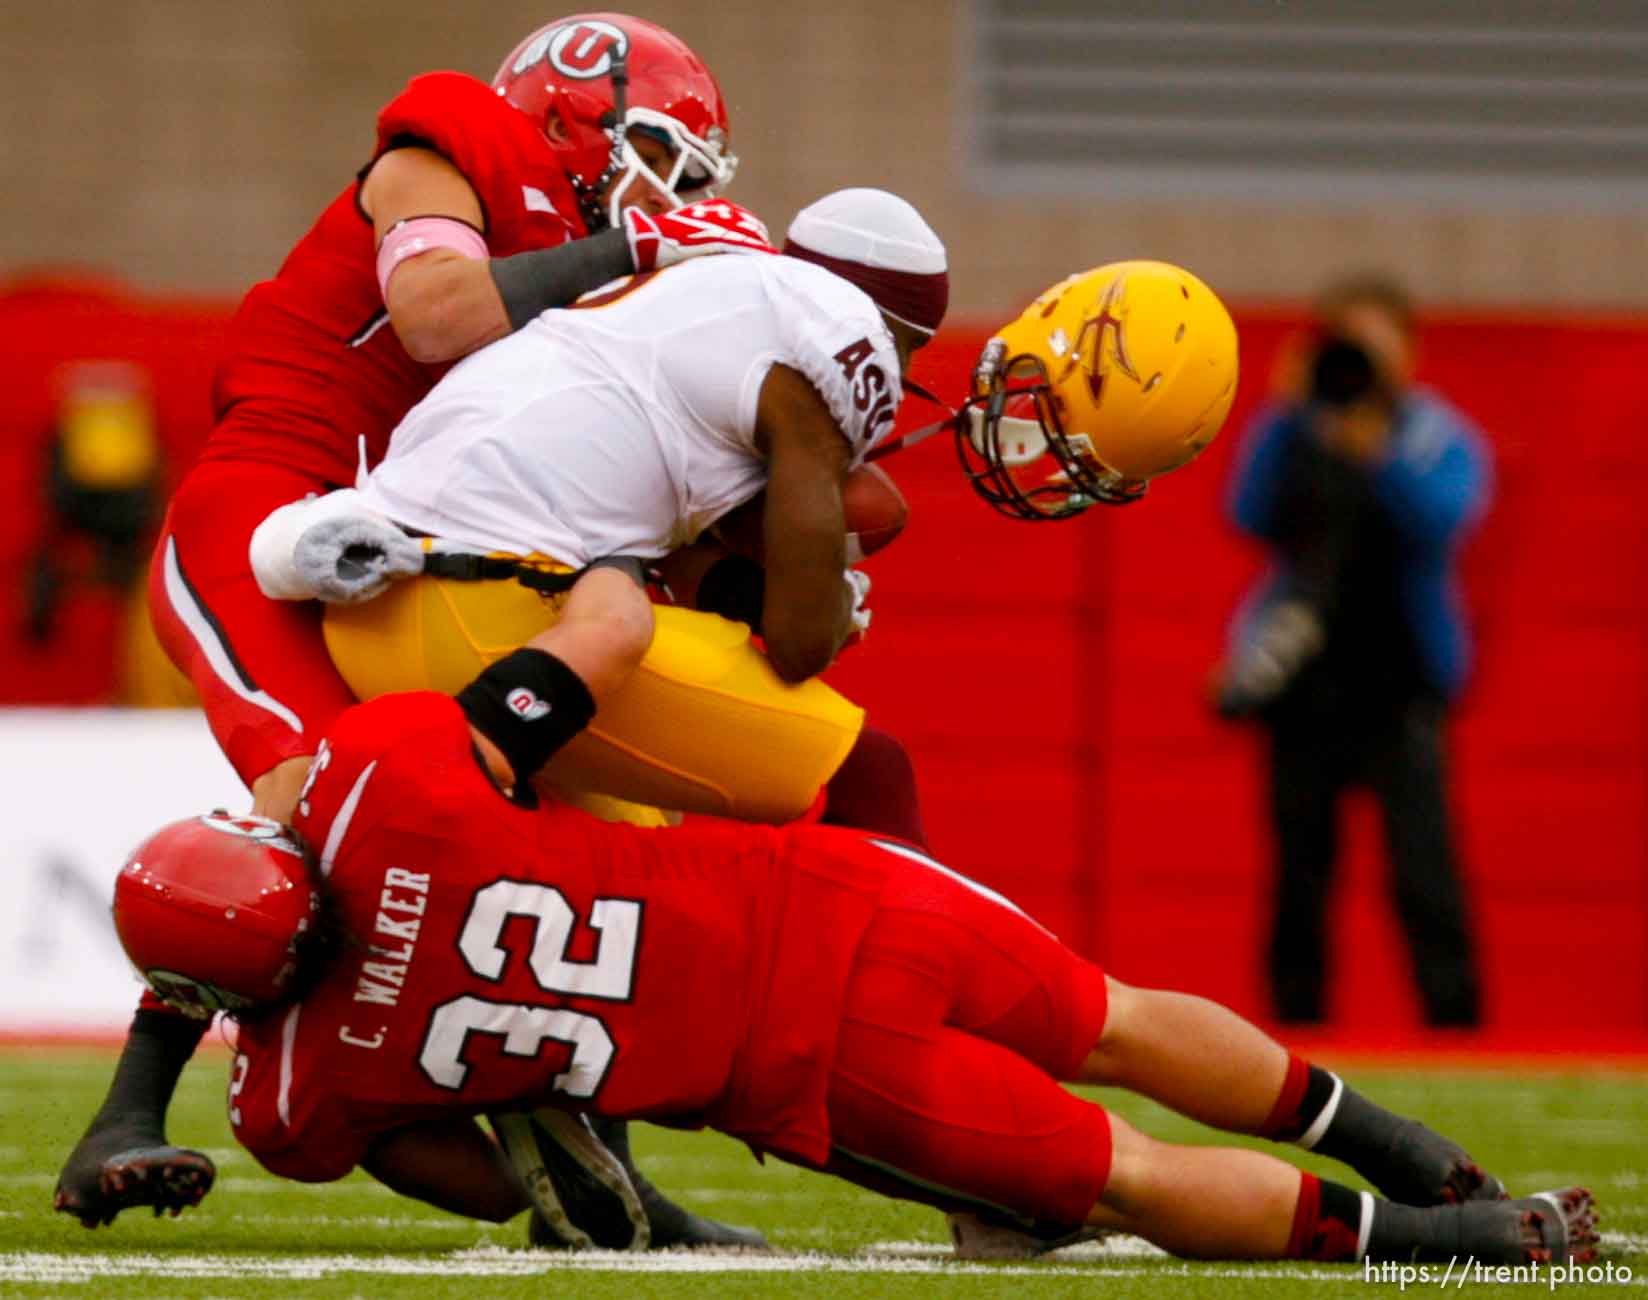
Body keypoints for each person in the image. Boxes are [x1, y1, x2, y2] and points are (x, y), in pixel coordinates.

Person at [57, 12, 769, 1244]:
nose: (676, 192)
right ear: (567, 113)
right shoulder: (456, 140)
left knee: (572, 839)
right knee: (320, 813)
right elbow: (437, 313)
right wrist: (636, 247)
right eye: (658, 153)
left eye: (690, 177)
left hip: (425, 559)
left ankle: (589, 1180)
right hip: (268, 519)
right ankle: (129, 1109)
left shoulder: (608, 270)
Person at [102, 680, 1597, 1266]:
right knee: (1120, 1020)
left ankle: (1451, 1240)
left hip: (805, 1068)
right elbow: (585, 645)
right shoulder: (386, 780)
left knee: (1129, 1179)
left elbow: (501, 1188)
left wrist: (524, 1103)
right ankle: (1401, 1144)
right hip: (825, 892)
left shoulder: (299, 1098)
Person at [251, 188, 949, 830]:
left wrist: (752, 588)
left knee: (637, 842)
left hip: (375, 616)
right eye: (912, 350)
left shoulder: (686, 297)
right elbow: (800, 650)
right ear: (884, 323)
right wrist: (821, 598)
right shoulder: (833, 331)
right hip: (489, 617)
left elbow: (637, 537)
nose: (904, 378)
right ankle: (928, 965)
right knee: (864, 771)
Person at [1215, 273, 1492, 1027]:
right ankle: (1296, 1032)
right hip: (1304, 683)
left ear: (1408, 352)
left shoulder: (1435, 434)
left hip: (1401, 684)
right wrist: (1286, 411)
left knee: (1423, 871)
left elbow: (1446, 520)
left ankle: (1459, 1031)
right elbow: (1243, 512)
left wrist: (1379, 456)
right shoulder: (1297, 427)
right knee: (1300, 875)